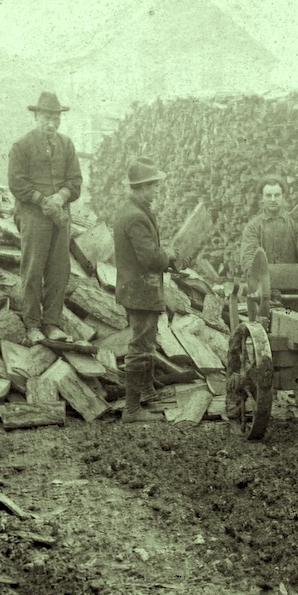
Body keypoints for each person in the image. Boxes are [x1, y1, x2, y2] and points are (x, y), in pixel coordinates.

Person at [7, 91, 82, 344]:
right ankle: (32, 325)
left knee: (59, 270)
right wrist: (42, 201)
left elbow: (75, 181)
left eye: (56, 118)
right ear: (36, 116)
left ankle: (51, 324)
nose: (52, 123)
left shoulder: (67, 145)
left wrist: (60, 197)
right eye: (47, 118)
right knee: (33, 268)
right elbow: (17, 184)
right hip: (33, 216)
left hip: (61, 215)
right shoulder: (22, 146)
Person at [113, 157, 178, 423]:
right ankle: (131, 410)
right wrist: (169, 255)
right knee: (140, 346)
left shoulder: (132, 208)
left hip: (138, 289)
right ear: (140, 187)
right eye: (153, 186)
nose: (156, 191)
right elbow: (150, 258)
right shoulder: (135, 216)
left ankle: (146, 392)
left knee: (146, 342)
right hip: (141, 291)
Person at [238, 175, 298, 273]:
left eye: (277, 195)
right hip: (264, 283)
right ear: (261, 197)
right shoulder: (252, 227)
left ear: (283, 195)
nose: (273, 199)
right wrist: (256, 276)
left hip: (293, 282)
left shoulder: (296, 223)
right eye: (268, 195)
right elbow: (249, 257)